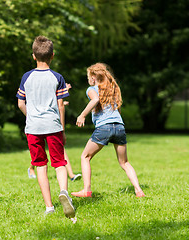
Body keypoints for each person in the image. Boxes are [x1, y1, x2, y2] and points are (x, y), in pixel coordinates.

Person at [17, 36, 75, 218]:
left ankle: (49, 206)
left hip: (33, 127)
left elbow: (20, 104)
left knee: (40, 165)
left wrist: (31, 117)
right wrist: (62, 130)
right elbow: (60, 106)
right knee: (59, 163)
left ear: (33, 56)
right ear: (53, 55)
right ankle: (64, 192)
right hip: (53, 125)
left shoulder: (27, 77)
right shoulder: (57, 77)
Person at [71, 62, 145, 198]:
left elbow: (95, 100)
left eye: (88, 77)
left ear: (93, 77)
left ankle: (86, 190)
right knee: (125, 162)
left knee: (85, 156)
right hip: (119, 126)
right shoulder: (112, 89)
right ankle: (138, 190)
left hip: (104, 128)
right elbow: (118, 109)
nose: (88, 80)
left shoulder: (91, 89)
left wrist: (82, 115)